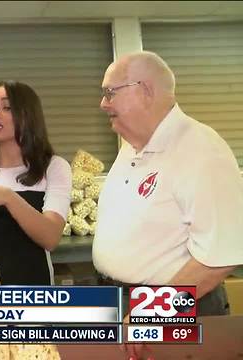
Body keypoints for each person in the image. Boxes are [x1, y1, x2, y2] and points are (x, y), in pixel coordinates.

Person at [93, 51, 243, 358]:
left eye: (110, 93)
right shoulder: (132, 146)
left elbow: (221, 255)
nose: (103, 104)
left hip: (175, 308)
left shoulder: (200, 149)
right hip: (126, 303)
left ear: (145, 90)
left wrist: (151, 311)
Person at [0, 81, 72, 285]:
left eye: (7, 107)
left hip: (33, 288)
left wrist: (7, 197)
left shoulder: (54, 167)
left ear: (28, 115)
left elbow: (51, 237)